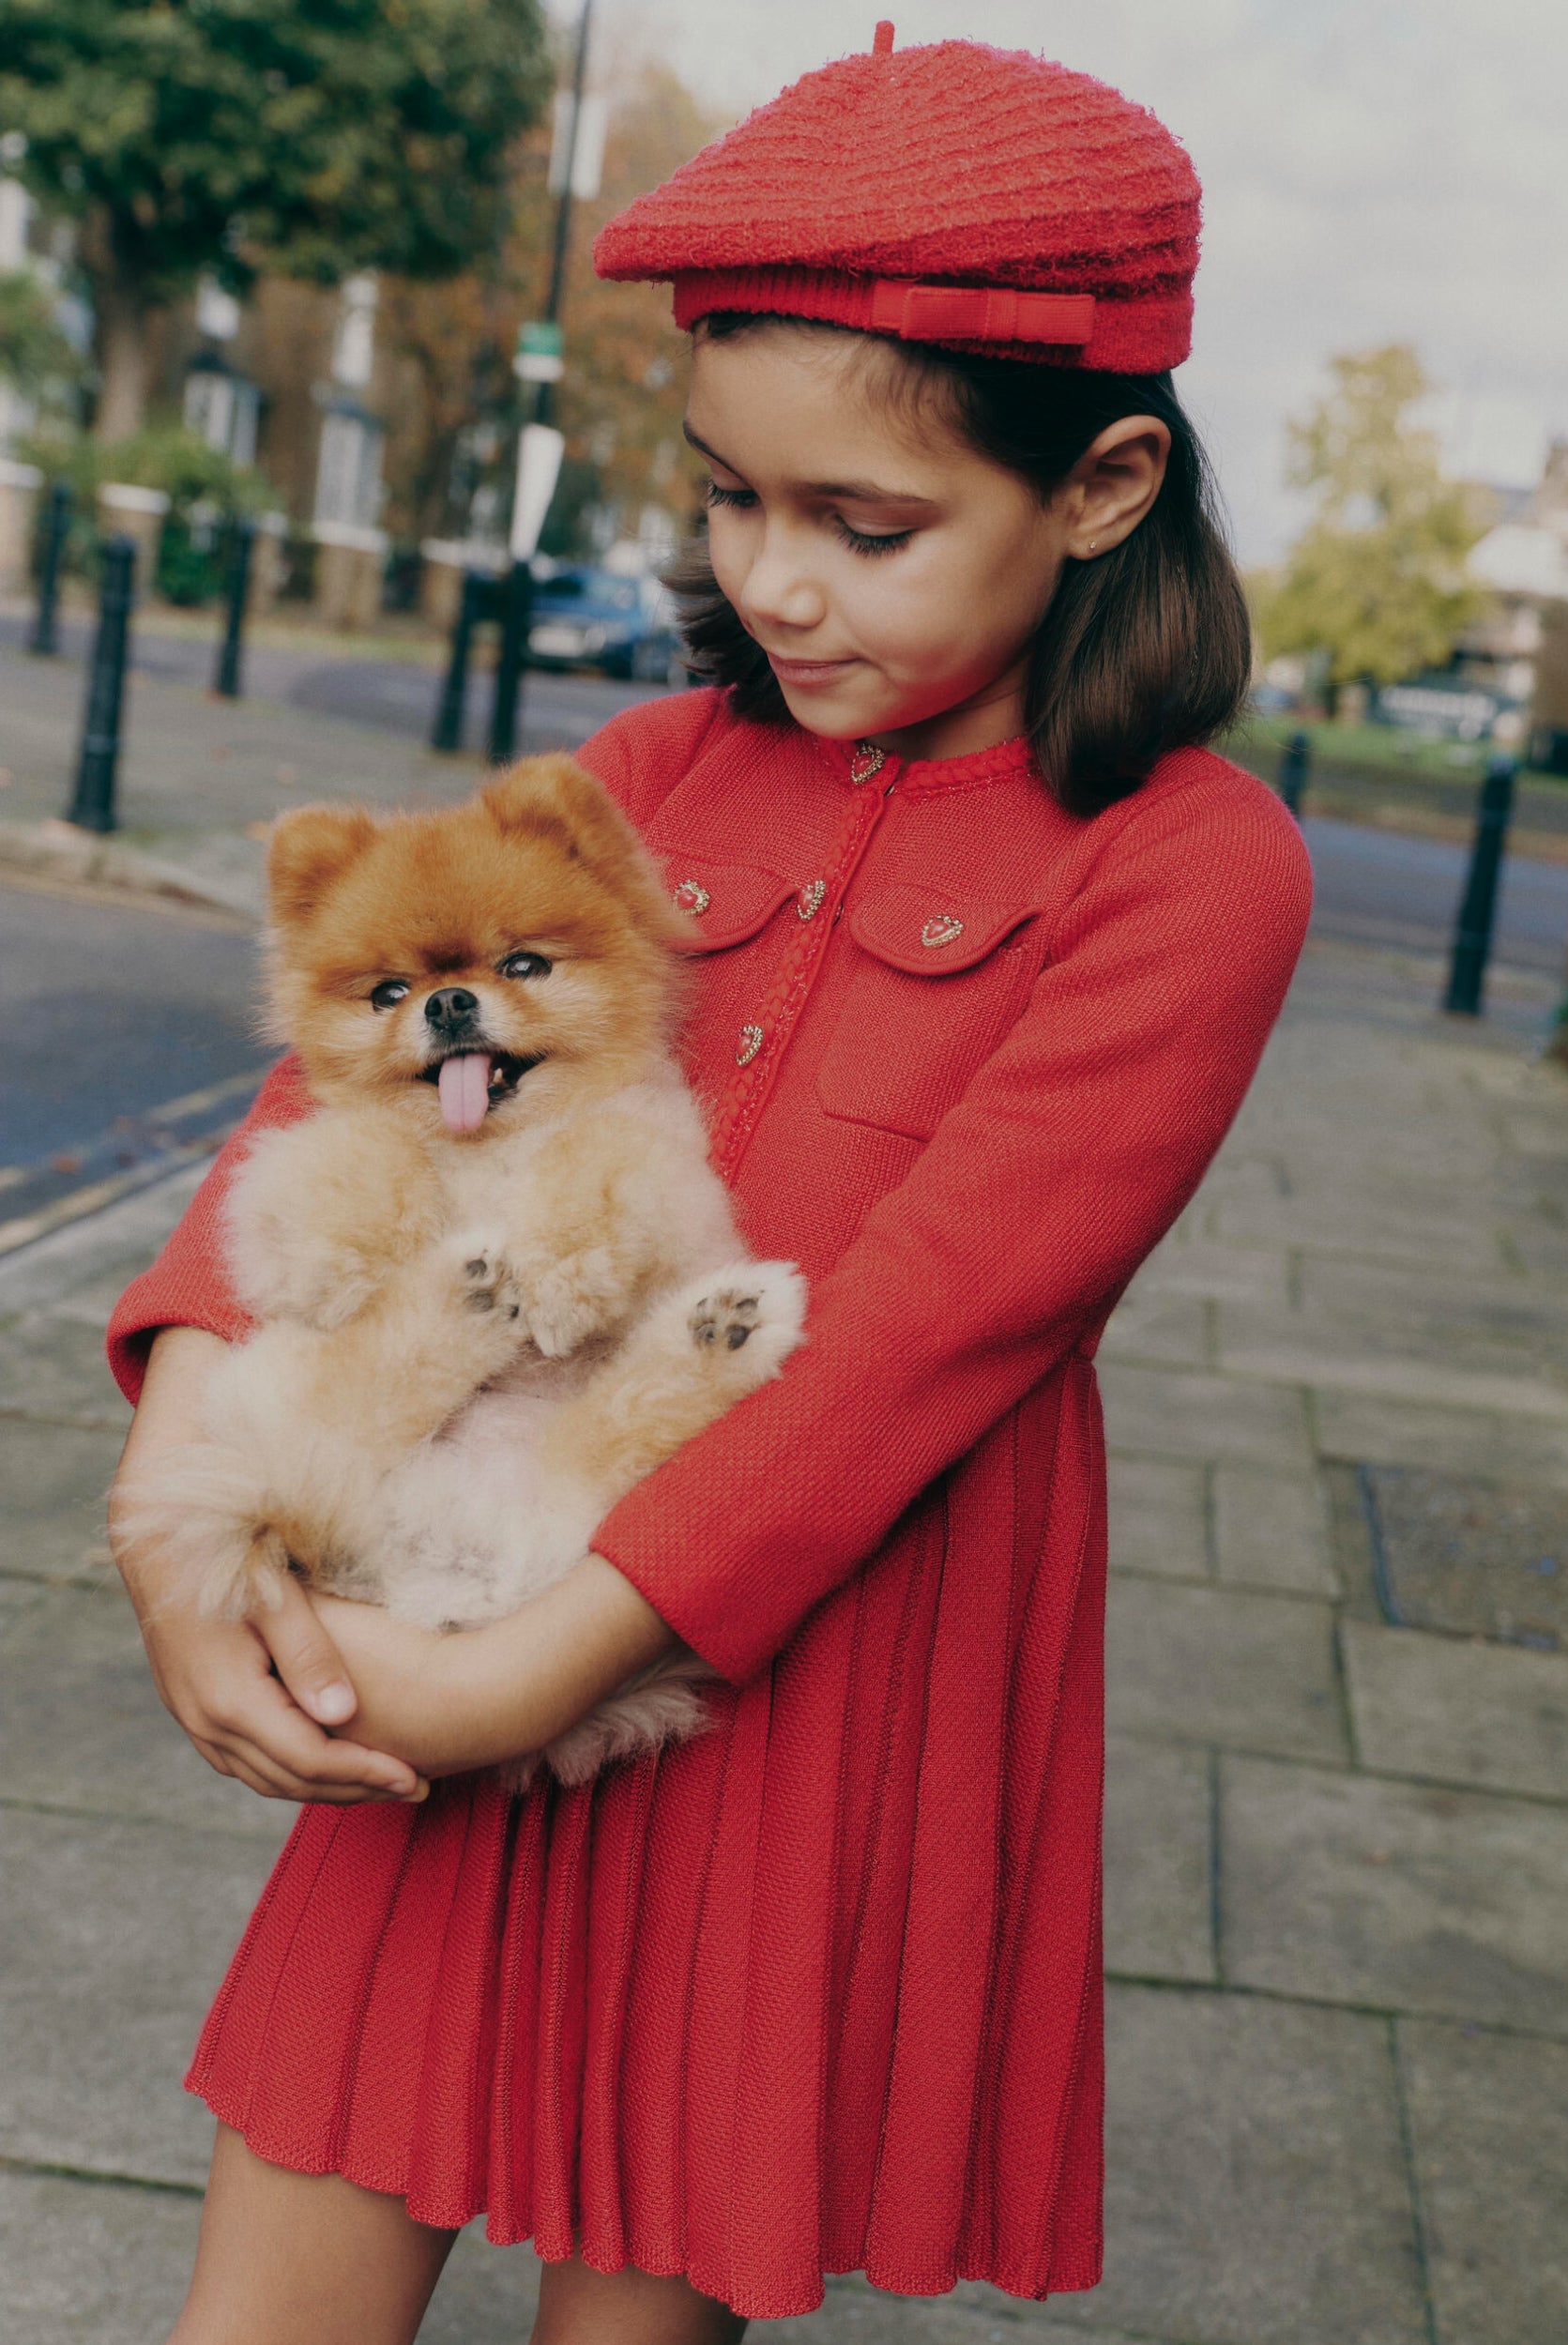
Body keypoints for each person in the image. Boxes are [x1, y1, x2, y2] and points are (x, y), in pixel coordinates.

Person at [104, 28, 1311, 2343]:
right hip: (466, 1550)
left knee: (643, 2281)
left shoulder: (1189, 868)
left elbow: (932, 1333)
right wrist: (181, 1506)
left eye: (864, 526)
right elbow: (331, 1093)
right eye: (728, 499)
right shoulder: (650, 766)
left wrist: (516, 1679)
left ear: (1102, 481)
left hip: (802, 1651)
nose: (773, 580)